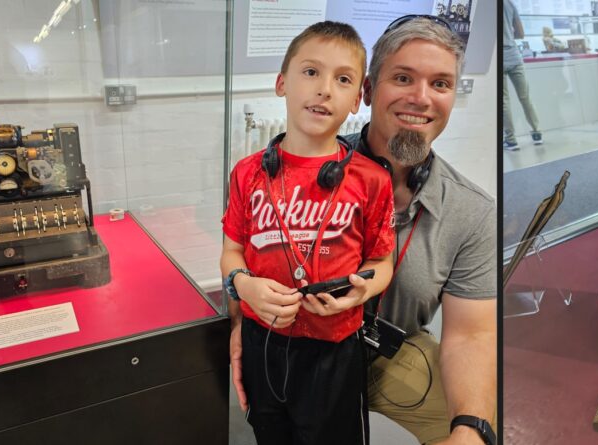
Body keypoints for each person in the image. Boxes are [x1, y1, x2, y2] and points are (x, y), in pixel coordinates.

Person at [220, 21, 396, 445]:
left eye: (342, 79)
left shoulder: (371, 180)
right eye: (311, 72)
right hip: (264, 342)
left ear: (357, 100)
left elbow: (381, 262)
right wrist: (243, 286)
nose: (324, 90)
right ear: (282, 83)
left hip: (334, 349)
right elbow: (231, 251)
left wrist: (362, 292)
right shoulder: (247, 173)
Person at [345, 15, 498, 445]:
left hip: (387, 354)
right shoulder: (312, 170)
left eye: (440, 84)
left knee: (488, 422)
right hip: (305, 351)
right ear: (369, 91)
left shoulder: (472, 211)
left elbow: (472, 333)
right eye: (403, 78)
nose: (421, 98)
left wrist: (471, 429)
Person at [503, 0, 543, 151]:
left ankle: (511, 141)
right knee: (525, 98)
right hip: (514, 56)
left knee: (504, 101)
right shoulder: (510, 4)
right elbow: (520, 33)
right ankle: (537, 134)